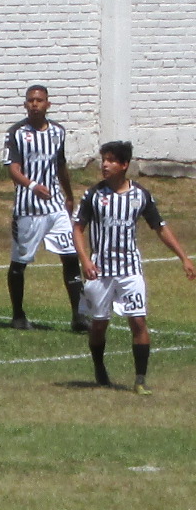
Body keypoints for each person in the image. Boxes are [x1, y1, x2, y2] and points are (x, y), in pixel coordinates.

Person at [72, 141, 196, 394]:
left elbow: (160, 227)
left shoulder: (140, 195)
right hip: (101, 270)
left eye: (110, 160)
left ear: (124, 165)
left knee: (138, 321)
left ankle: (140, 380)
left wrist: (183, 257)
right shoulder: (93, 195)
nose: (104, 165)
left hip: (130, 270)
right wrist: (85, 260)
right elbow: (77, 228)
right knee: (98, 325)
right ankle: (99, 368)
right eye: (103, 159)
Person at [2, 86, 83, 331]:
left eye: (39, 100)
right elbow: (13, 169)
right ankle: (18, 315)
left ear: (48, 104)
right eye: (30, 100)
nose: (35, 104)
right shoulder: (16, 133)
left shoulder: (58, 131)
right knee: (20, 262)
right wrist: (32, 185)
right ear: (25, 105)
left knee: (70, 257)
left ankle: (79, 316)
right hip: (28, 208)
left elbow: (61, 165)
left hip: (56, 206)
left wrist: (69, 195)